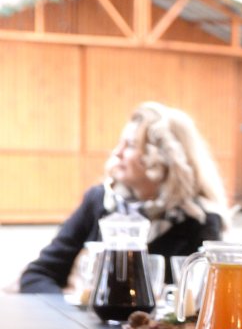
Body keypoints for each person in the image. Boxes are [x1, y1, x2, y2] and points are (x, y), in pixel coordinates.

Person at [18, 103, 230, 295]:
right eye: (119, 143)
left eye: (130, 145)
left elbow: (209, 297)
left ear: (164, 157)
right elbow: (38, 275)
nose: (117, 152)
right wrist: (71, 309)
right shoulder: (99, 200)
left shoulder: (199, 219)